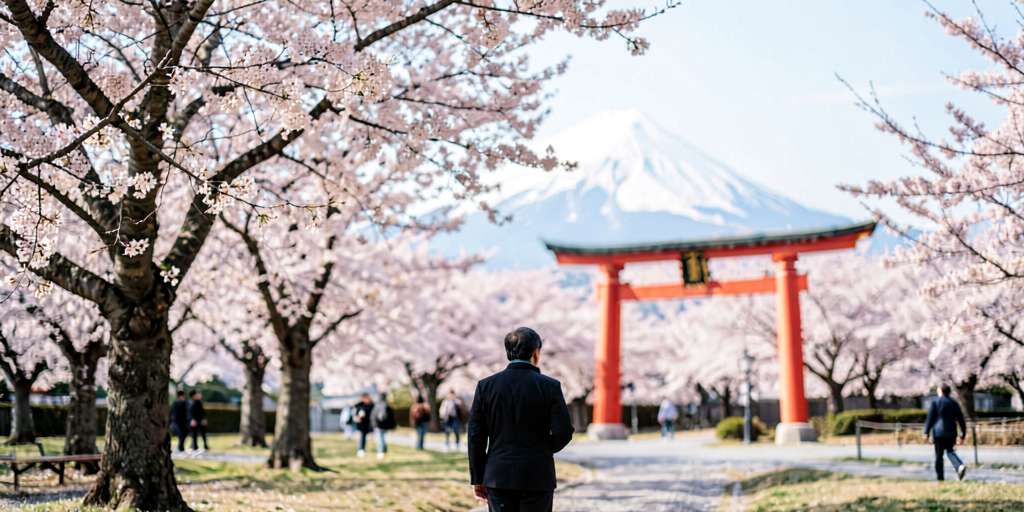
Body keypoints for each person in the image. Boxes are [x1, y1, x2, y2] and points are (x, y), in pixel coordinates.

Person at [468, 327, 573, 512]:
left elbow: (476, 435)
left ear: (508, 352)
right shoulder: (550, 386)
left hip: (498, 475)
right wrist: (542, 448)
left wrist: (478, 478)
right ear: (536, 353)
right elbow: (564, 431)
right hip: (537, 474)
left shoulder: (486, 386)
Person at [924, 384, 968, 481]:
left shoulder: (935, 402)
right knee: (950, 451)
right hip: (951, 432)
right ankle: (959, 465)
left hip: (938, 433)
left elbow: (930, 418)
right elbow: (961, 419)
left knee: (939, 456)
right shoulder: (954, 403)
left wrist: (926, 432)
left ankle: (940, 478)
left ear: (940, 391)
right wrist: (963, 434)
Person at [371, 392, 397, 460]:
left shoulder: (377, 405)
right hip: (384, 425)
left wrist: (374, 424)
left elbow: (373, 416)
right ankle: (384, 451)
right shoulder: (386, 405)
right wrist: (392, 426)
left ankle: (381, 452)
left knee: (380, 439)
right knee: (382, 438)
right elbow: (391, 417)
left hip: (378, 425)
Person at [353, 393, 374, 458]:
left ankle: (362, 449)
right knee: (362, 437)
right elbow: (355, 415)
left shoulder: (371, 405)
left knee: (366, 438)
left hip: (369, 424)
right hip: (361, 424)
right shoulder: (359, 405)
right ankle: (361, 450)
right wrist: (358, 417)